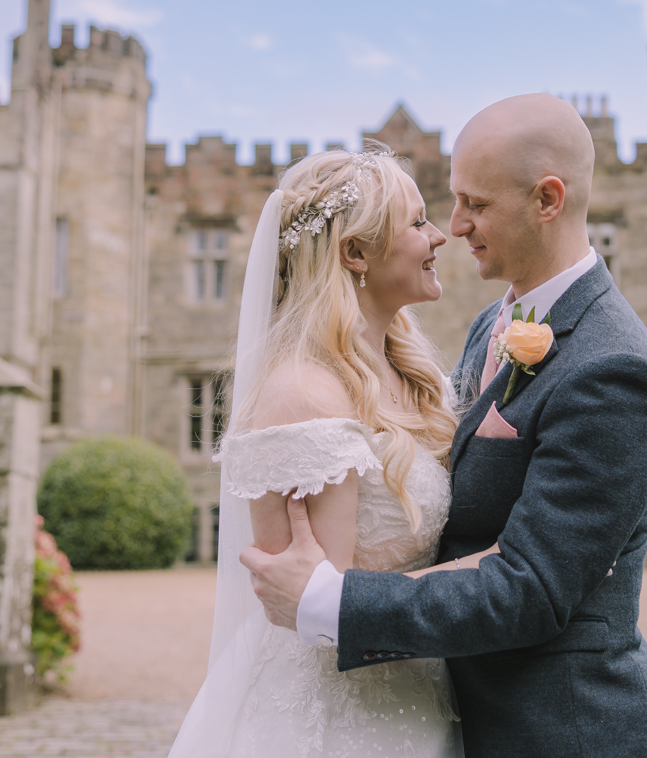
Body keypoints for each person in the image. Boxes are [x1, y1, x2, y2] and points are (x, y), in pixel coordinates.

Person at [241, 93, 647, 758]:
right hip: (438, 712)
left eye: (475, 204)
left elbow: (530, 586)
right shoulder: (490, 327)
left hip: (562, 730)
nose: (454, 225)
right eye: (446, 203)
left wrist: (330, 602)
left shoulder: (613, 366)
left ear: (548, 199)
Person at [168, 146, 487, 758]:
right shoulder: (304, 393)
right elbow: (318, 607)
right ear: (355, 253)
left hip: (416, 691)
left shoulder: (410, 376)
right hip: (339, 716)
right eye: (418, 222)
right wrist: (499, 567)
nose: (439, 235)